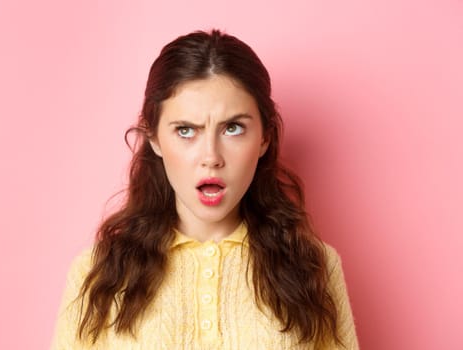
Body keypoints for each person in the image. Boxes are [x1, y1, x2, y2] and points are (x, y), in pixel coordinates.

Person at [51, 29, 359, 349]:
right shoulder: (97, 272)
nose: (211, 157)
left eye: (233, 128)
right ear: (154, 137)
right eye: (186, 130)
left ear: (264, 137)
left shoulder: (315, 266)